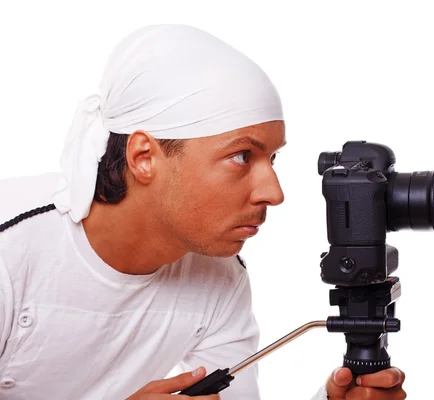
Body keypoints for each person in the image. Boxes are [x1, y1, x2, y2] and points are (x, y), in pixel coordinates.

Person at [0, 24, 406, 399]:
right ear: (144, 157)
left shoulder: (220, 279)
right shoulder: (10, 252)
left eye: (273, 159)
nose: (275, 193)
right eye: (242, 155)